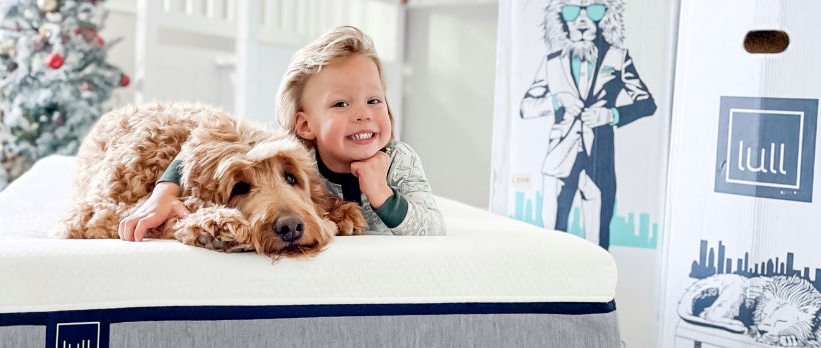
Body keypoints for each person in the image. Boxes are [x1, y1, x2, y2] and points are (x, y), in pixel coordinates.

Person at [119, 26, 445, 241]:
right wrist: (164, 194)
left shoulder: (399, 161)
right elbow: (200, 151)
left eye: (374, 100)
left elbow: (433, 228)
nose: (363, 114)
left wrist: (383, 196)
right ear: (305, 126)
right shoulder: (294, 157)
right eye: (342, 104)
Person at [519, 1, 656, 250]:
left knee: (597, 239)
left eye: (593, 10)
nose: (582, 20)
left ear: (606, 16)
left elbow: (647, 103)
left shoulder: (618, 56)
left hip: (599, 158)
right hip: (559, 159)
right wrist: (555, 101)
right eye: (572, 12)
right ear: (560, 18)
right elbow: (526, 107)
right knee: (550, 235)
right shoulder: (551, 62)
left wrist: (611, 115)